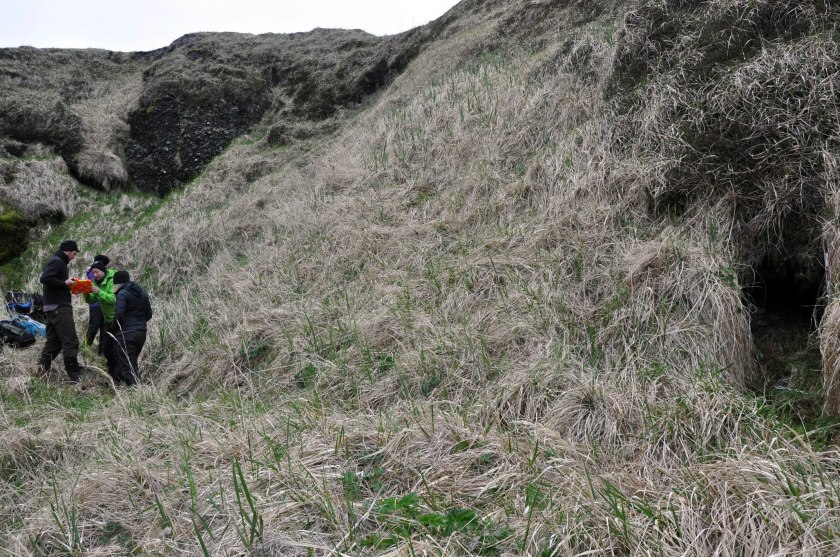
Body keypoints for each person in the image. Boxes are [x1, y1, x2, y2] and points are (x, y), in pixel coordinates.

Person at [37, 240, 82, 382]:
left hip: (51, 308)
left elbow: (51, 281)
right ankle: (75, 377)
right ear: (69, 251)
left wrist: (68, 286)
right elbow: (45, 278)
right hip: (60, 308)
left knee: (54, 343)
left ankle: (41, 371)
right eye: (74, 253)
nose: (74, 257)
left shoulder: (56, 261)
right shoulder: (58, 262)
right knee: (71, 341)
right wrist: (65, 284)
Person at [112, 271, 152, 386]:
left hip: (127, 333)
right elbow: (149, 314)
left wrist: (115, 328)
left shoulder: (122, 294)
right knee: (130, 361)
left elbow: (119, 314)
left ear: (117, 283)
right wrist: (139, 324)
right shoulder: (142, 293)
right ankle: (120, 382)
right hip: (141, 332)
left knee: (128, 364)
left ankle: (135, 389)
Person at [84, 260, 117, 380]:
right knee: (108, 348)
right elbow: (91, 300)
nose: (95, 275)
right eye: (93, 273)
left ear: (102, 271)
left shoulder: (113, 279)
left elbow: (113, 299)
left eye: (96, 272)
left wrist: (99, 292)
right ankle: (111, 373)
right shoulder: (95, 282)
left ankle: (118, 373)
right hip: (107, 318)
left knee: (116, 347)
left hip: (117, 318)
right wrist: (86, 293)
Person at [85, 254, 110, 355]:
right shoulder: (94, 273)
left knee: (103, 328)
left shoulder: (93, 272)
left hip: (101, 304)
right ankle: (87, 348)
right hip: (96, 304)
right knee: (94, 327)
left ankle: (101, 351)